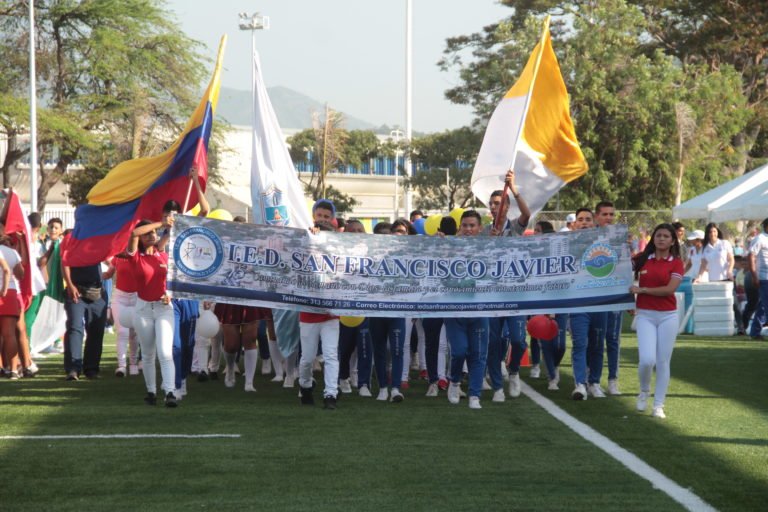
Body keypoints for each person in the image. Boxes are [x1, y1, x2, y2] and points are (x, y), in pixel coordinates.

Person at [629, 223, 684, 419]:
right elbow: (619, 271)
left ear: (673, 241)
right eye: (658, 235)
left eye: (666, 236)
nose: (661, 239)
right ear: (653, 238)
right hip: (645, 314)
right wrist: (628, 299)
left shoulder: (676, 262)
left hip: (668, 315)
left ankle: (659, 405)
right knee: (646, 360)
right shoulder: (642, 259)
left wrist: (642, 290)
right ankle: (644, 391)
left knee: (662, 362)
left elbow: (670, 289)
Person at [127, 218, 177, 407]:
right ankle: (151, 392)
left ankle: (170, 392)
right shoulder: (134, 256)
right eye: (147, 233)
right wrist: (160, 223)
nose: (151, 235)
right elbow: (134, 233)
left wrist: (170, 295)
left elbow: (173, 282)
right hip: (143, 310)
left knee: (165, 352)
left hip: (164, 309)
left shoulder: (162, 254)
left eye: (153, 233)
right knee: (148, 354)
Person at [445, 210, 490, 409]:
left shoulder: (487, 249)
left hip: (480, 309)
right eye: (465, 225)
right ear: (459, 227)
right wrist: (439, 245)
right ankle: (454, 382)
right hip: (455, 310)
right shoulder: (449, 247)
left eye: (472, 226)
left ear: (480, 228)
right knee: (459, 351)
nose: (468, 229)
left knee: (478, 353)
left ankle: (474, 395)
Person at [298, 218, 341, 409]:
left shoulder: (337, 255)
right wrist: (309, 238)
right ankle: (305, 385)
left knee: (331, 355)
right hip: (309, 315)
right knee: (307, 359)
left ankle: (330, 394)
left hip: (330, 315)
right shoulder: (306, 253)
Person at [568, 207, 608, 400]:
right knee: (580, 343)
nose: (584, 222)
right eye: (581, 219)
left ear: (594, 223)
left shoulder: (605, 244)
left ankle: (594, 383)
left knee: (598, 344)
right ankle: (580, 384)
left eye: (588, 219)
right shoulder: (566, 244)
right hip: (577, 303)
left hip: (600, 302)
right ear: (575, 223)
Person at [61, 231, 108, 381]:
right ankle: (73, 369)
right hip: (77, 290)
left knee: (96, 330)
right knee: (75, 328)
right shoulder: (71, 238)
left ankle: (91, 369)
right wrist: (70, 285)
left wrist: (113, 266)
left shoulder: (99, 236)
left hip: (97, 292)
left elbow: (109, 255)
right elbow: (65, 262)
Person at [595, 201, 622, 395]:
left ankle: (613, 380)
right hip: (594, 296)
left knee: (613, 339)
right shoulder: (588, 236)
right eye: (605, 214)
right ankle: (592, 378)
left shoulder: (620, 238)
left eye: (611, 214)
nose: (609, 218)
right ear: (597, 216)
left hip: (614, 296)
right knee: (595, 339)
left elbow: (625, 269)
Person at [748, 218, 768, 341]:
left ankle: (755, 332)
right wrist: (754, 276)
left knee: (763, 307)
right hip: (764, 277)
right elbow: (751, 256)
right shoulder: (760, 238)